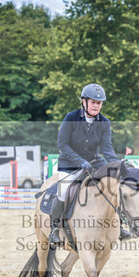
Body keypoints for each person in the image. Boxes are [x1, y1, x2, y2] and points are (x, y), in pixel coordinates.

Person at [51, 83, 128, 245]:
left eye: (99, 103)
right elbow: (62, 144)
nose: (96, 106)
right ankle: (54, 229)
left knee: (113, 187)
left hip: (94, 163)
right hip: (69, 163)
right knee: (63, 191)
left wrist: (117, 165)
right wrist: (79, 161)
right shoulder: (71, 118)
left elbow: (107, 149)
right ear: (84, 102)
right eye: (93, 102)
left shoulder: (105, 122)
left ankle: (119, 225)